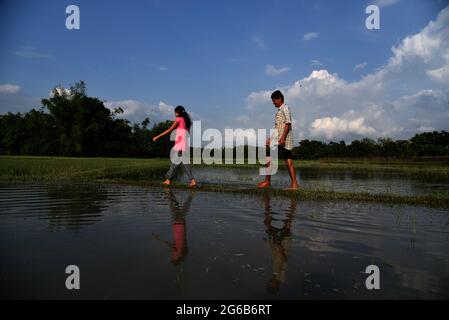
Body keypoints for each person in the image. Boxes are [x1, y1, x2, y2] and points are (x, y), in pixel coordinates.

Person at [257, 90, 300, 190]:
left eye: (274, 100)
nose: (273, 102)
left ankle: (268, 182)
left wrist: (283, 138)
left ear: (280, 99)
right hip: (279, 140)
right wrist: (270, 139)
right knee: (285, 160)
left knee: (272, 159)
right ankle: (294, 185)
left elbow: (288, 123)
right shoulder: (279, 111)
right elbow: (277, 128)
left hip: (283, 141)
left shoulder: (285, 108)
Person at [152, 105, 197, 187]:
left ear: (178, 112)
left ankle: (168, 180)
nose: (174, 113)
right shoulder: (186, 122)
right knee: (183, 164)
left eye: (175, 112)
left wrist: (157, 136)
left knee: (175, 163)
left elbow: (169, 130)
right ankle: (191, 180)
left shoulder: (179, 119)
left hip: (180, 145)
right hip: (184, 145)